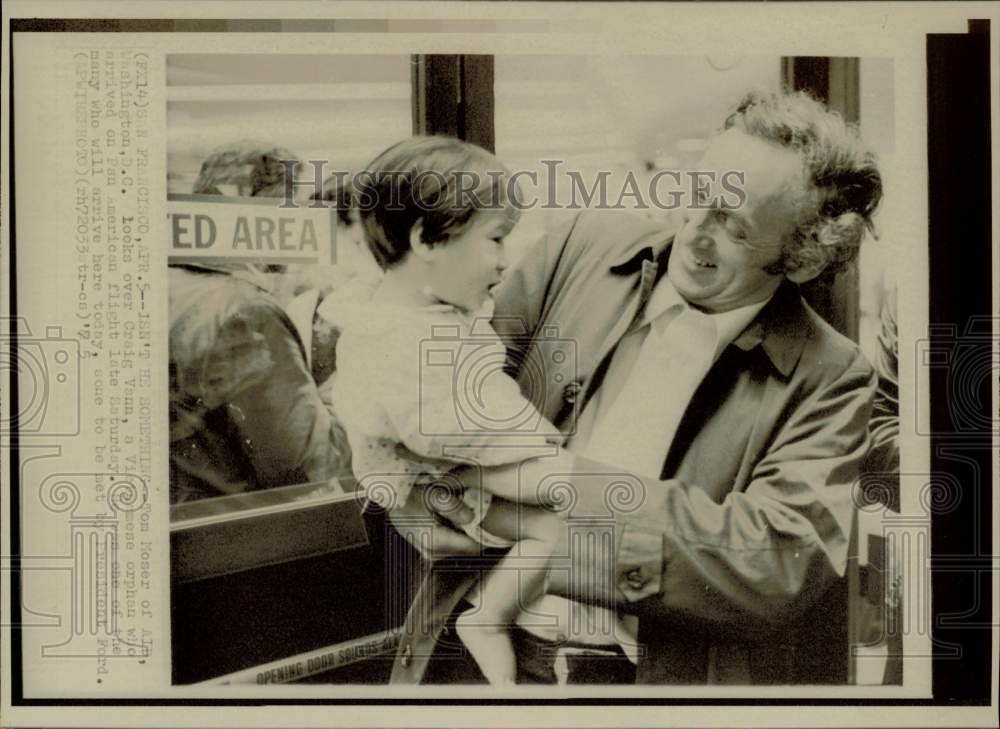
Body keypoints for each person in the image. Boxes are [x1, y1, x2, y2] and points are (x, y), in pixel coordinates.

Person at [388, 89, 884, 685]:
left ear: (802, 258)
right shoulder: (578, 249)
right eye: (697, 193)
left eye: (736, 227)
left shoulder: (831, 377)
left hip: (636, 682)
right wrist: (409, 500)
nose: (695, 228)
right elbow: (440, 395)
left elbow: (773, 566)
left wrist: (564, 491)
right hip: (464, 643)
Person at [328, 137, 566, 684]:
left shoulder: (411, 314)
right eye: (497, 239)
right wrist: (543, 456)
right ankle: (490, 619)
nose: (506, 263)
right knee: (564, 523)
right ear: (426, 238)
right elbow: (450, 431)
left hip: (449, 487)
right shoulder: (398, 336)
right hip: (455, 487)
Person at [169, 143, 351, 503]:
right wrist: (339, 396)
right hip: (243, 537)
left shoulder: (168, 286)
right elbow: (309, 468)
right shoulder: (247, 311)